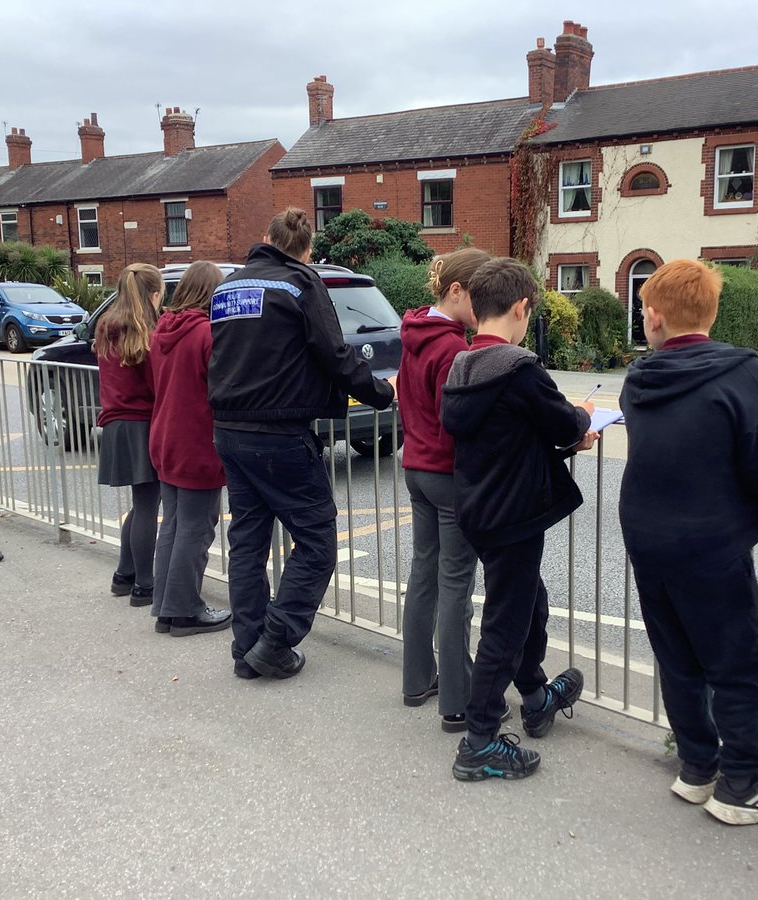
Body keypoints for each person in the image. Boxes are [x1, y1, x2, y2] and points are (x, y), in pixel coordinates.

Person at [618, 259, 758, 824]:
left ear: (653, 317)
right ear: (712, 313)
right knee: (737, 663)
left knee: (678, 657)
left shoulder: (639, 380)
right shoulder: (740, 372)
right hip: (711, 543)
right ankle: (742, 782)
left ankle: (697, 766)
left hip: (648, 540)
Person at [208, 208, 395, 680]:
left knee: (248, 542)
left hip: (229, 430)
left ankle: (247, 649)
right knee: (317, 539)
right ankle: (275, 641)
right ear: (307, 250)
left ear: (265, 237)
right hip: (280, 433)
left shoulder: (228, 286)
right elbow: (335, 354)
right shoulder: (301, 283)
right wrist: (383, 393)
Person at [440, 257, 597, 781]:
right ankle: (479, 741)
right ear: (522, 308)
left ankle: (534, 696)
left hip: (479, 509)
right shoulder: (518, 368)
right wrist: (583, 420)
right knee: (505, 625)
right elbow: (562, 423)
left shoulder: (462, 365)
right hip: (513, 514)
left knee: (530, 603)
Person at [397, 248, 498, 732]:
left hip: (416, 467)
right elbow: (457, 423)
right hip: (447, 474)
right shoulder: (454, 349)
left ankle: (417, 680)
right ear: (456, 291)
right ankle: (458, 701)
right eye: (479, 297)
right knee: (456, 584)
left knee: (424, 574)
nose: (486, 308)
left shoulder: (415, 333)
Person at [147, 261, 233, 637]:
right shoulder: (206, 334)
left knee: (173, 524)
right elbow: (221, 388)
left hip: (165, 436)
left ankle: (166, 607)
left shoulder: (162, 330)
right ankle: (184, 610)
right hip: (195, 441)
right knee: (196, 529)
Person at [96, 263, 163, 607]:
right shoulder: (145, 331)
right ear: (154, 295)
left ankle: (124, 575)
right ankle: (145, 585)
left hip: (115, 422)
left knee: (141, 505)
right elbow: (156, 385)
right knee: (148, 504)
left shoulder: (106, 325)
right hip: (142, 422)